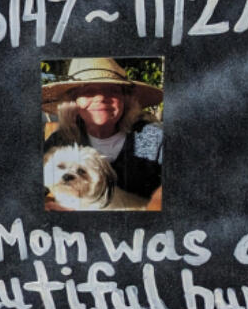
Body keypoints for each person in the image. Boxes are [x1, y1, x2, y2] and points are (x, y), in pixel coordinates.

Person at [42, 57, 163, 207]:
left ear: (126, 100)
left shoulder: (153, 136)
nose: (100, 98)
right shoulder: (59, 140)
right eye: (88, 92)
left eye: (112, 91)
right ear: (73, 102)